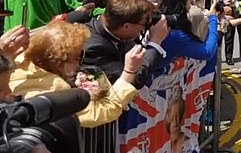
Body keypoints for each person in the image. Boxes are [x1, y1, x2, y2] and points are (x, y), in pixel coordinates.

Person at [10, 20, 147, 128]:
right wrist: (129, 71)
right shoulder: (57, 88)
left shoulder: (16, 60)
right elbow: (101, 112)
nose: (80, 63)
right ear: (59, 62)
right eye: (78, 57)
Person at [82, 0, 169, 86]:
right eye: (143, 24)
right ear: (126, 26)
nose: (144, 27)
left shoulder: (111, 25)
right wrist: (155, 42)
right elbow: (132, 81)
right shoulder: (94, 49)